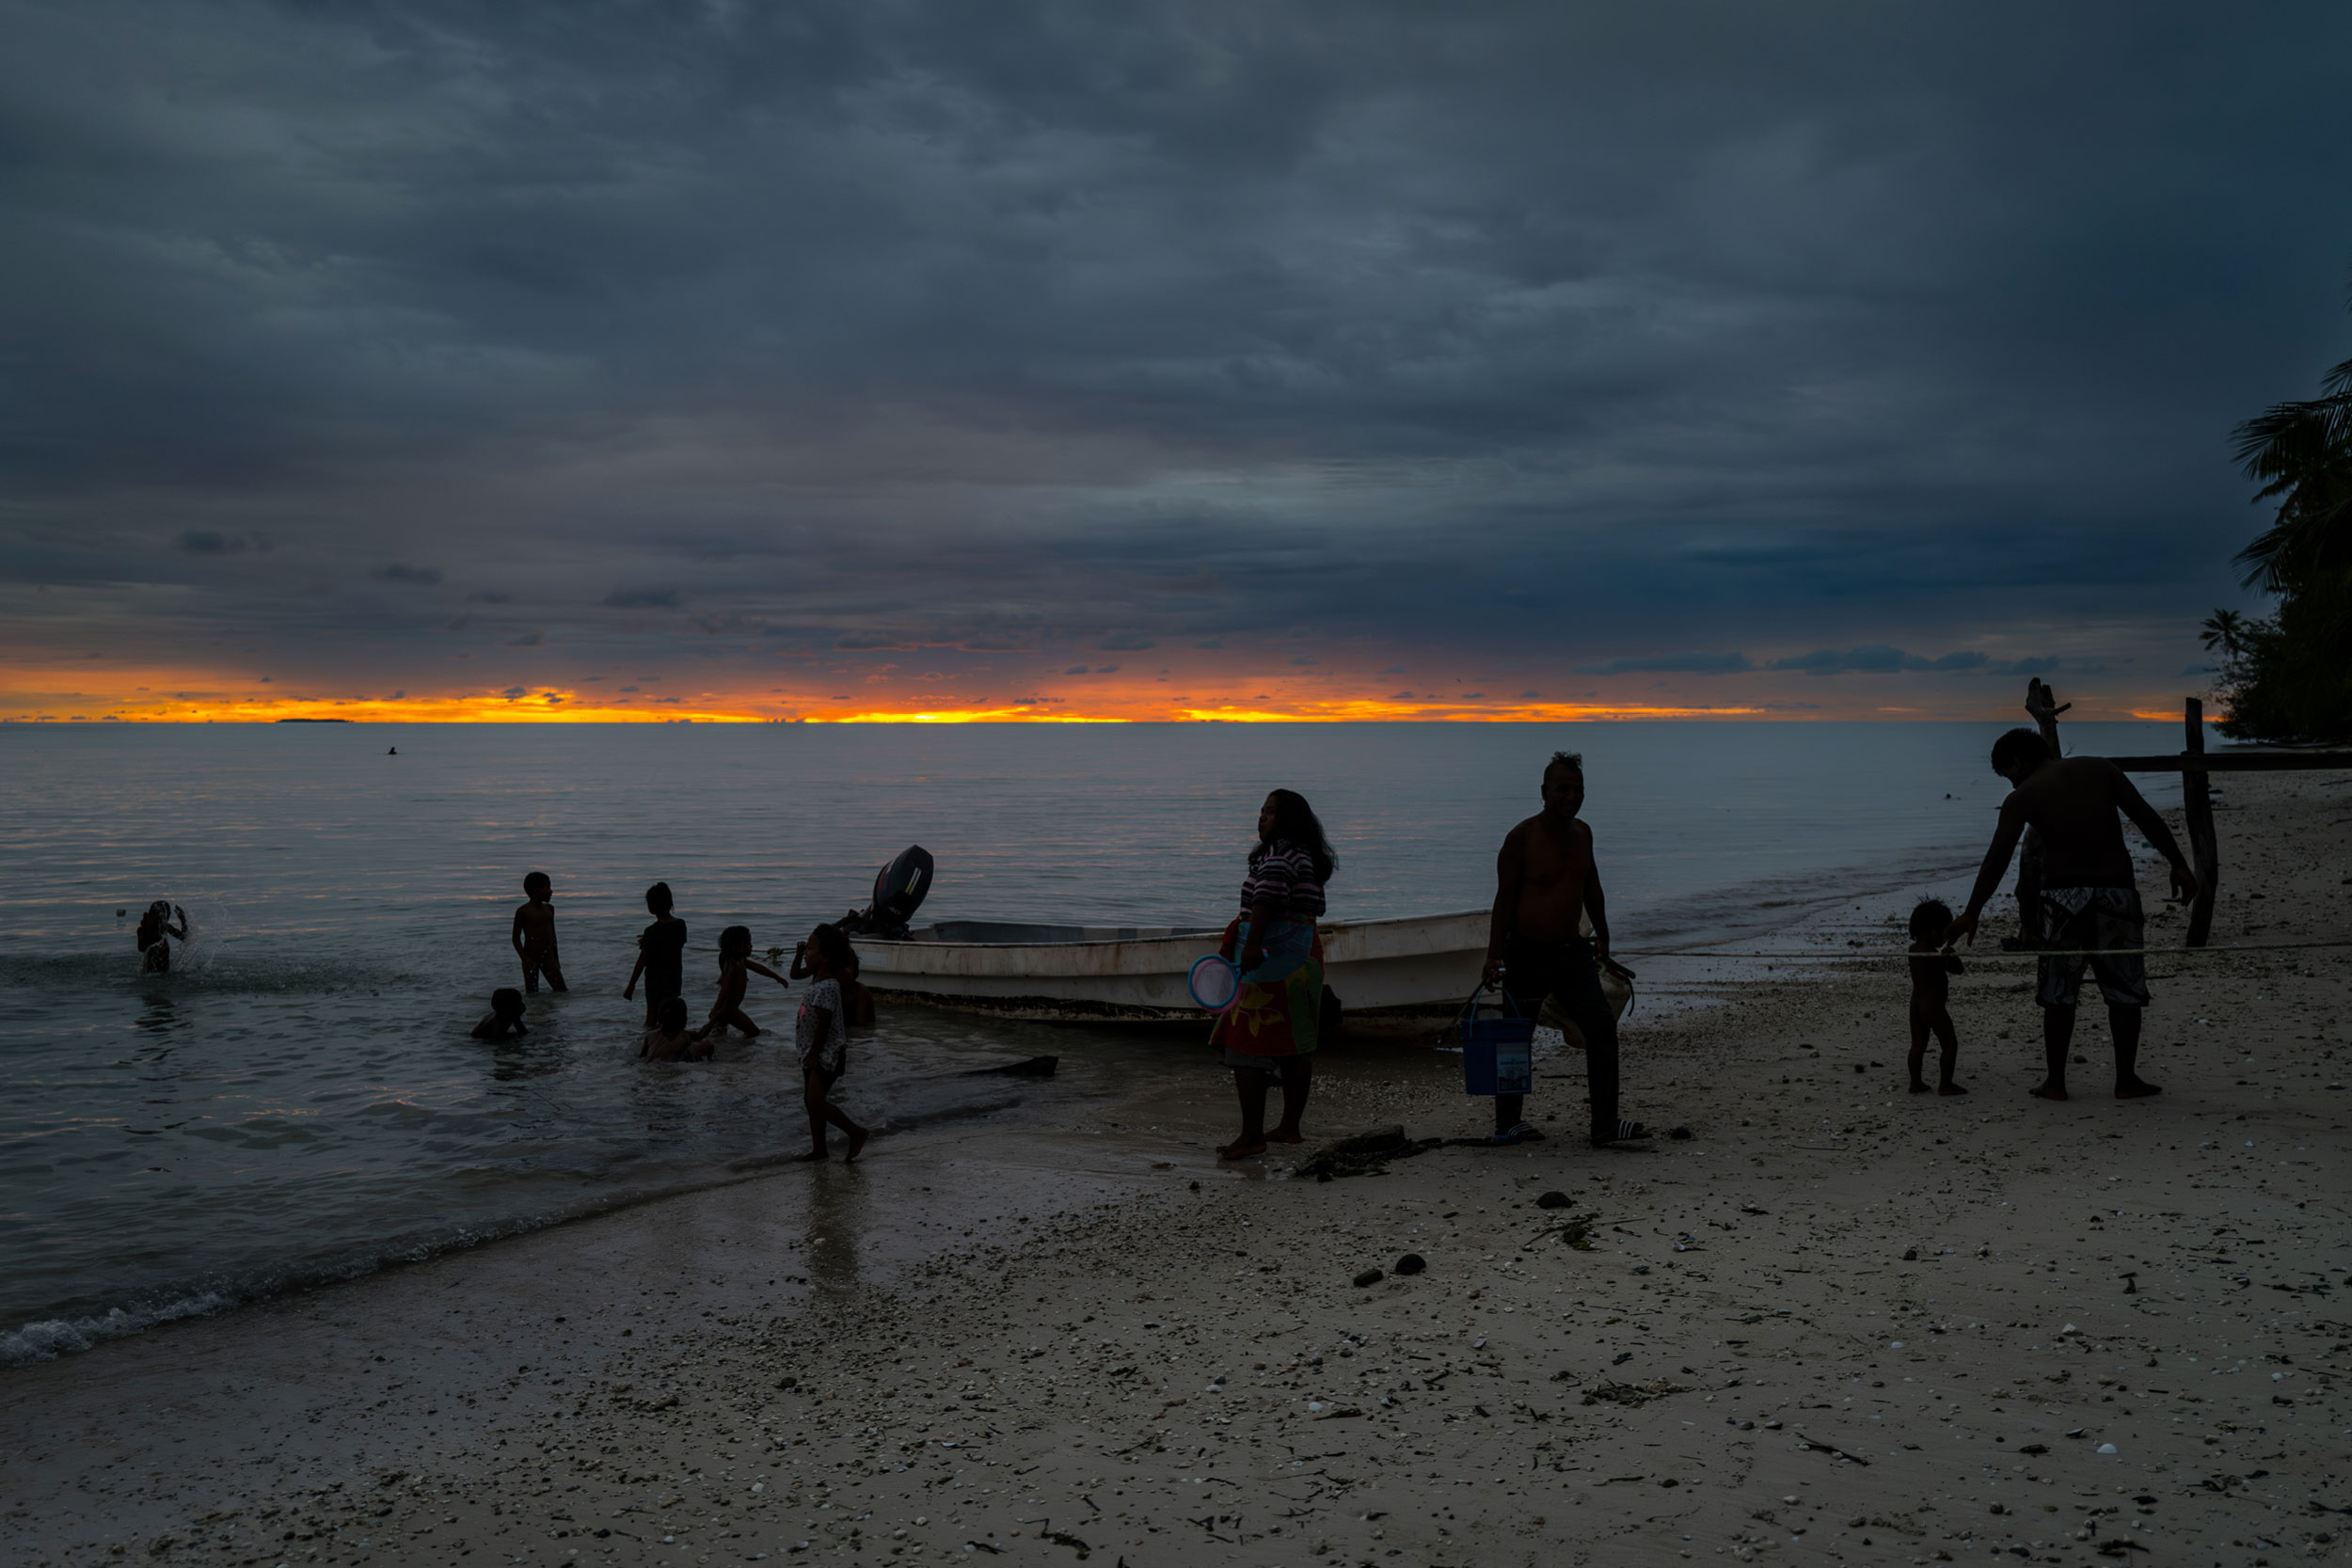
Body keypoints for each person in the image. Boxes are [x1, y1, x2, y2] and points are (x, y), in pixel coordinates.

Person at [1945, 728, 2197, 1101]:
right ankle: (2126, 1080)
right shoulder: (2100, 769)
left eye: (2008, 773)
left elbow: (1997, 857)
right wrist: (2178, 862)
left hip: (2063, 899)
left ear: (2017, 762)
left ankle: (2056, 1082)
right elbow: (2144, 816)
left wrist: (1972, 912)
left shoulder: (2023, 796)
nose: (2011, 782)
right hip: (2117, 892)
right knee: (2125, 991)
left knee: (2059, 993)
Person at [1481, 752, 1648, 1147]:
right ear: (1544, 791)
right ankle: (1508, 1123)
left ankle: (1605, 1124)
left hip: (1572, 950)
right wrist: (1493, 955)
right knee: (1514, 1036)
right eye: (1562, 788)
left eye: (1578, 789)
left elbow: (1591, 885)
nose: (1571, 796)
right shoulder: (1521, 837)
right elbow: (1503, 900)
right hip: (1525, 951)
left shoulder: (1583, 833)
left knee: (1602, 1028)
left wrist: (1604, 934)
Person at [1213, 789, 1333, 1160]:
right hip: (1301, 963)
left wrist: (1251, 946)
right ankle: (1289, 1128)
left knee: (1245, 1048)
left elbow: (1266, 899)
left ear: (1288, 819)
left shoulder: (1280, 854)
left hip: (1269, 964)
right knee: (1295, 1046)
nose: (1261, 817)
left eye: (1270, 812)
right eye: (1261, 811)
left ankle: (1252, 1137)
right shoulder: (1305, 854)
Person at [789, 924, 869, 1162]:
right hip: (811, 1052)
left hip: (826, 1054)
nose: (806, 952)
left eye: (810, 948)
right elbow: (795, 974)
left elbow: (824, 1024)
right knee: (811, 1103)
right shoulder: (817, 977)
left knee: (815, 1101)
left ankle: (856, 1132)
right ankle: (819, 1149)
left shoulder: (828, 986)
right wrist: (797, 954)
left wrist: (814, 1053)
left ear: (825, 957)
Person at [1905, 898, 1966, 1096]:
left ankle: (1916, 1083)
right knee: (1950, 1044)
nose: (1945, 935)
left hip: (1916, 1004)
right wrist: (1950, 956)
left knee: (1917, 1046)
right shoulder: (1932, 955)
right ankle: (1946, 1085)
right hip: (1933, 1007)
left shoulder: (1913, 950)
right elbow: (1958, 970)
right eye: (1942, 930)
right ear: (1928, 930)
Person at [692, 925, 788, 1042]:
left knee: (717, 1034)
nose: (751, 946)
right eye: (748, 943)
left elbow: (758, 968)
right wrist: (716, 1010)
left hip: (727, 1009)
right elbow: (725, 991)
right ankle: (739, 1051)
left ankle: (723, 1050)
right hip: (729, 1009)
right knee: (754, 1032)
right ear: (735, 947)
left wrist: (777, 977)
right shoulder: (732, 966)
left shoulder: (741, 961)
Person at [623, 882, 689, 1026]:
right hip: (674, 979)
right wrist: (648, 940)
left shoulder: (651, 931)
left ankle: (649, 1044)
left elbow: (642, 961)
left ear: (651, 907)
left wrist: (631, 985)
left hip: (655, 981)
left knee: (652, 1017)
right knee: (670, 1016)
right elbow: (673, 943)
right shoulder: (680, 925)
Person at [511, 872, 566, 993]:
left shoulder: (549, 909)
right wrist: (524, 959)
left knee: (562, 991)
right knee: (532, 994)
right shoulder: (523, 911)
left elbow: (553, 936)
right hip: (530, 957)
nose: (551, 891)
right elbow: (515, 938)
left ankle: (553, 1011)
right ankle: (535, 1011)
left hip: (549, 957)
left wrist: (556, 959)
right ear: (536, 890)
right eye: (547, 888)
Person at [639, 995, 702, 1061]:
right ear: (683, 1018)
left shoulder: (650, 1036)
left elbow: (641, 1058)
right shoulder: (688, 1036)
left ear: (660, 1016)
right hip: (668, 1066)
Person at [135, 901, 187, 974]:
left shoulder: (165, 927)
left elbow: (184, 938)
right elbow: (141, 948)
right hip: (151, 976)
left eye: (162, 917)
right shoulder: (144, 930)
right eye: (157, 916)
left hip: (158, 976)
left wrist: (183, 920)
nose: (160, 920)